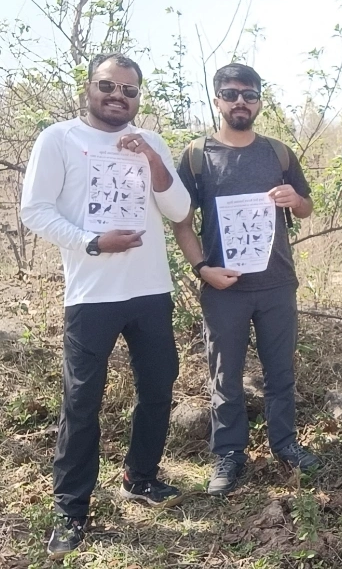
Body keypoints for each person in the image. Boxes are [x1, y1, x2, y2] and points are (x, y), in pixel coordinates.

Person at [21, 53, 191, 559]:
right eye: (108, 86)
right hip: (92, 294)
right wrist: (93, 243)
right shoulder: (58, 139)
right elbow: (34, 210)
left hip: (151, 290)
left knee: (158, 386)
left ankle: (140, 477)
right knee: (81, 402)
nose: (118, 96)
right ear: (89, 88)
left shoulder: (151, 141)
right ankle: (70, 510)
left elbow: (180, 209)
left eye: (129, 90)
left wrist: (152, 159)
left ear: (138, 96)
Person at [172, 63, 319, 496]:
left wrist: (295, 199)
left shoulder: (278, 152)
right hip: (224, 287)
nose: (241, 102)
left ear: (259, 101)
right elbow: (182, 222)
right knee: (225, 375)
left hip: (277, 282)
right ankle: (229, 454)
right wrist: (202, 269)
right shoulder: (197, 156)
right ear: (217, 99)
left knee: (281, 372)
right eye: (231, 94)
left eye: (249, 95)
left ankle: (285, 444)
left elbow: (306, 208)